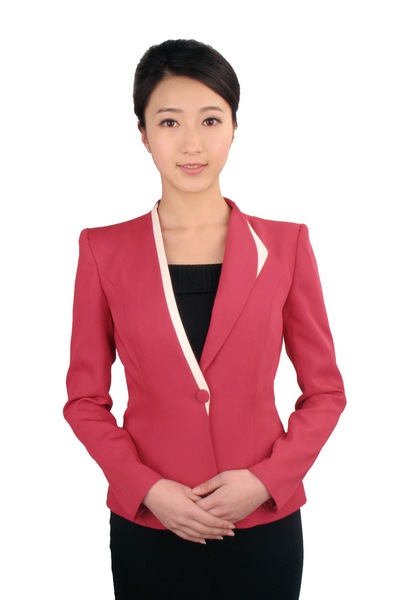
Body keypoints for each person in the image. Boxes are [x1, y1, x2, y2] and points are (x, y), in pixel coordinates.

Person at [64, 38, 346, 600]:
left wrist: (265, 480)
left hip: (262, 526)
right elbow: (84, 401)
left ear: (234, 128)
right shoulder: (103, 251)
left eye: (210, 120)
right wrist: (147, 489)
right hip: (151, 528)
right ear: (143, 133)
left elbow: (325, 393)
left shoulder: (285, 246)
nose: (192, 143)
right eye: (169, 122)